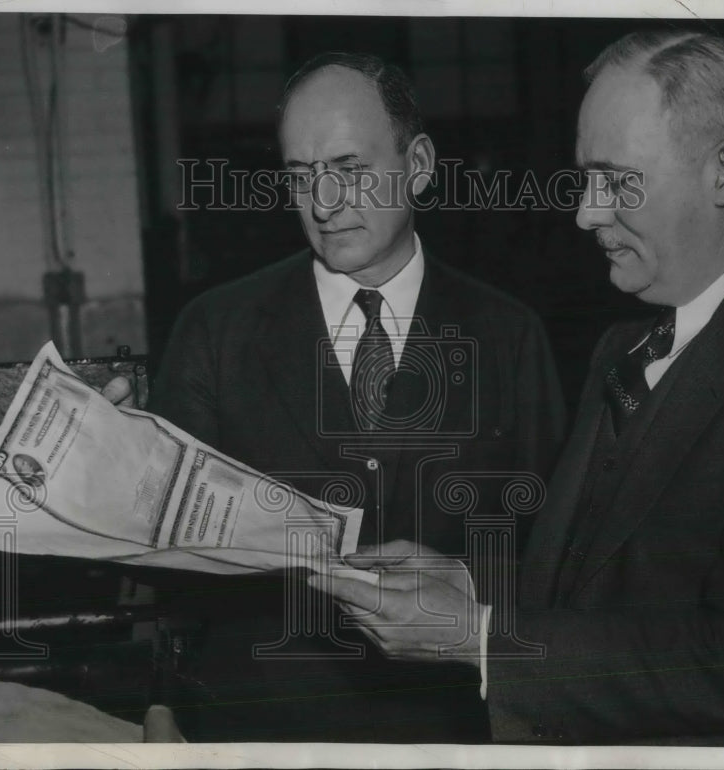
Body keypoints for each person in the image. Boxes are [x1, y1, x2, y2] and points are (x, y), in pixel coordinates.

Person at [316, 30, 724, 746]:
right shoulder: (625, 344)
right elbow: (606, 572)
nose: (586, 212)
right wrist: (470, 585)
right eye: (585, 180)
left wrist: (477, 636)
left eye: (615, 181)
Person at [107, 52, 565, 742]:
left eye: (350, 169)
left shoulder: (509, 335)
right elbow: (172, 569)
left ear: (418, 165)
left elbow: (553, 557)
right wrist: (162, 702)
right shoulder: (216, 329)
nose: (323, 204)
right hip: (260, 728)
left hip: (451, 729)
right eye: (301, 175)